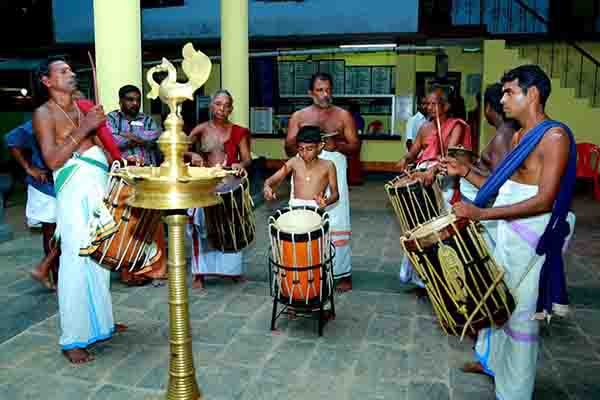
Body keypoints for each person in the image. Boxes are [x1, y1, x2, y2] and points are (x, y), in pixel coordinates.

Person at [446, 65, 577, 400]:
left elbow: (543, 200)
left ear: (531, 94)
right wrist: (465, 172)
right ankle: (492, 366)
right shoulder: (519, 136)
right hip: (508, 233)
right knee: (499, 305)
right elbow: (504, 188)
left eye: (509, 92)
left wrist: (481, 213)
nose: (502, 99)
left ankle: (514, 393)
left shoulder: (555, 138)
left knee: (519, 319)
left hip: (530, 240)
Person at [33, 56, 125, 364]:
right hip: (73, 192)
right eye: (63, 71)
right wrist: (85, 127)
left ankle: (101, 325)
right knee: (74, 260)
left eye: (71, 70)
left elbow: (104, 145)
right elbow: (53, 160)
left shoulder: (83, 108)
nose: (71, 74)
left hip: (97, 185)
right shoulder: (44, 113)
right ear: (47, 81)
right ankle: (72, 337)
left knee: (100, 257)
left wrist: (114, 155)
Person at [285, 72, 359, 292]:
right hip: (305, 170)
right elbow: (288, 147)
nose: (325, 94)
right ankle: (306, 270)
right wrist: (299, 141)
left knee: (337, 219)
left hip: (334, 167)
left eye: (328, 89)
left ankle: (342, 273)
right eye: (320, 90)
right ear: (311, 93)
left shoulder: (343, 115)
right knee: (305, 218)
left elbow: (355, 146)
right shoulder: (299, 116)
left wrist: (339, 145)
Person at [187, 89, 252, 290]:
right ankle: (200, 273)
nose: (221, 108)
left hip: (230, 185)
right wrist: (192, 155)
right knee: (202, 226)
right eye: (218, 104)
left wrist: (242, 165)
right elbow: (180, 149)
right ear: (211, 105)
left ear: (231, 108)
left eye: (226, 105)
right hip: (206, 184)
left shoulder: (239, 131)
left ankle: (232, 271)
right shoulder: (200, 129)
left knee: (232, 226)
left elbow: (247, 157)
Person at [5, 121, 58, 290]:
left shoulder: (78, 120)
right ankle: (54, 277)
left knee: (67, 229)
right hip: (46, 185)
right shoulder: (42, 118)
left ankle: (48, 269)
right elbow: (12, 139)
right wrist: (28, 167)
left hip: (67, 182)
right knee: (50, 230)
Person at [263, 125, 339, 209]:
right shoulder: (294, 162)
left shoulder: (328, 165)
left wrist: (325, 202)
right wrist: (267, 187)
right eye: (301, 149)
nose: (304, 153)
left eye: (309, 149)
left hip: (316, 208)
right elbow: (271, 180)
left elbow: (335, 194)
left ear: (320, 146)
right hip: (295, 208)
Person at [107, 85, 161, 166]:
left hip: (147, 169)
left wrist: (123, 134)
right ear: (121, 101)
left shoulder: (147, 120)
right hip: (123, 170)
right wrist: (142, 140)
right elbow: (114, 141)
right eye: (130, 100)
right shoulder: (112, 118)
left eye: (138, 100)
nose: (135, 103)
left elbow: (154, 138)